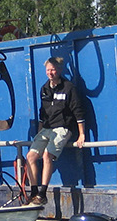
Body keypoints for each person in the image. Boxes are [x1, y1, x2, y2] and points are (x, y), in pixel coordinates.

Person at [25, 56, 86, 206]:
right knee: (30, 156)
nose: (50, 73)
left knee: (47, 155)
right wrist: (39, 132)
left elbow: (78, 112)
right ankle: (33, 191)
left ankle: (42, 193)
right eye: (48, 70)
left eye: (53, 70)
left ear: (59, 70)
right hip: (46, 128)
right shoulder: (44, 89)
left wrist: (81, 134)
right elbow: (42, 113)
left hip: (62, 128)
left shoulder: (68, 88)